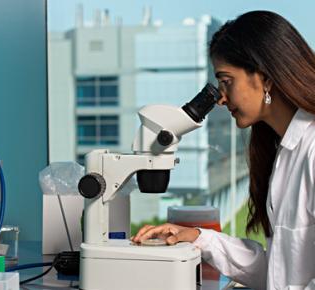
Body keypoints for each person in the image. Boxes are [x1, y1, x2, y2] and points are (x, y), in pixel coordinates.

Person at [132, 10, 315, 290]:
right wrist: (199, 238)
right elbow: (280, 271)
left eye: (226, 81)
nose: (220, 98)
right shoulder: (285, 151)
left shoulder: (312, 151)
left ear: (265, 78)